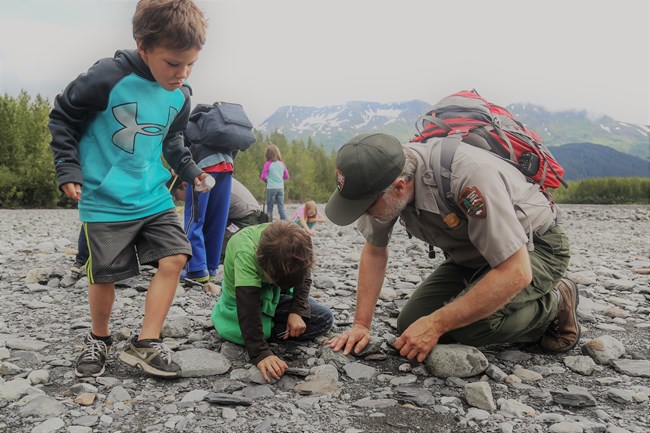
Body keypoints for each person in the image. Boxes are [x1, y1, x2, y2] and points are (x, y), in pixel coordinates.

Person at [48, 0, 209, 378]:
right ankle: (99, 338)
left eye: (190, 65)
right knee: (104, 274)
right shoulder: (107, 78)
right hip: (105, 198)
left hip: (152, 194)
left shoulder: (180, 95)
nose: (181, 74)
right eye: (173, 63)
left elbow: (173, 140)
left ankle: (146, 342)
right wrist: (68, 166)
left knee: (175, 257)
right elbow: (63, 117)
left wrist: (190, 170)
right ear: (143, 46)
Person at [324, 132, 579, 363]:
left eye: (366, 207)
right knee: (410, 324)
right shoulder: (381, 178)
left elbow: (516, 271)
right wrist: (361, 325)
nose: (364, 213)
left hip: (535, 249)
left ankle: (556, 304)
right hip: (474, 255)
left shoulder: (469, 176)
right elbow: (374, 250)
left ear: (399, 188)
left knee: (467, 325)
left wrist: (436, 324)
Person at [210, 220, 334, 382]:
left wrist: (297, 310)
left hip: (275, 292)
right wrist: (260, 353)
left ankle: (284, 316)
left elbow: (304, 278)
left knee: (311, 311)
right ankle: (273, 329)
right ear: (261, 262)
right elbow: (248, 308)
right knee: (323, 318)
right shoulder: (246, 253)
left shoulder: (299, 239)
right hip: (247, 301)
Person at [180, 113, 235, 284]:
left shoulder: (186, 123)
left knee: (195, 217)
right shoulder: (219, 125)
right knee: (217, 219)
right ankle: (211, 268)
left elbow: (178, 149)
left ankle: (196, 269)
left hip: (201, 168)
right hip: (227, 166)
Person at [172, 177, 269, 266]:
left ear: (185, 185)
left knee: (216, 251)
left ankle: (205, 271)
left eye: (177, 196)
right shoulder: (205, 179)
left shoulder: (203, 188)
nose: (180, 200)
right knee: (207, 244)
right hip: (235, 217)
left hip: (248, 220)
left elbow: (203, 223)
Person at [260, 144, 289, 221]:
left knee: (270, 207)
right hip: (280, 188)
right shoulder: (281, 163)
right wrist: (278, 178)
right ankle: (284, 223)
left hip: (271, 188)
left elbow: (263, 176)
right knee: (281, 207)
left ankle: (269, 223)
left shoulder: (268, 164)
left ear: (267, 154)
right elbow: (286, 176)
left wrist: (268, 181)